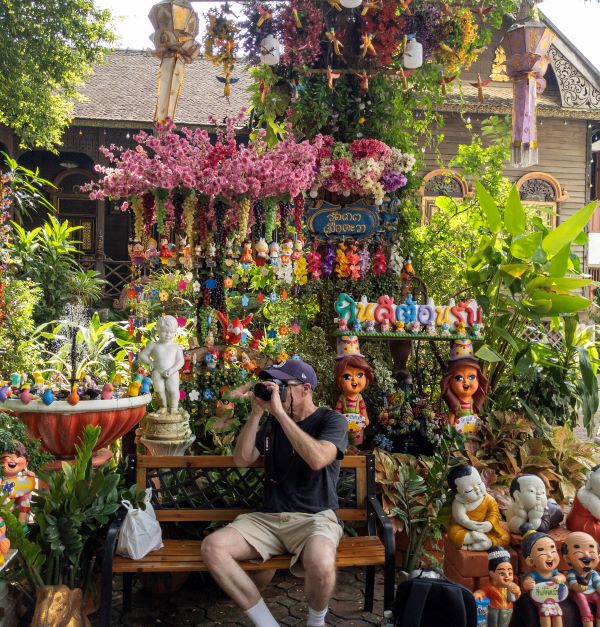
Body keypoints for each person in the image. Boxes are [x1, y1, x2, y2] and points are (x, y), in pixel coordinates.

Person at [201, 359, 348, 627]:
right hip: (269, 519)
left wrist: (280, 414)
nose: (276, 392)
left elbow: (317, 458)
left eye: (283, 386)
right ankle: (267, 624)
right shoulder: (271, 423)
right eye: (273, 386)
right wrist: (257, 414)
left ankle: (316, 623)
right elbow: (242, 459)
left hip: (315, 518)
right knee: (213, 547)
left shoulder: (331, 419)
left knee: (323, 563)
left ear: (305, 389)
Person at [139, 315, 185, 414]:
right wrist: (150, 362)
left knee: (173, 390)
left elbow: (181, 361)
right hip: (157, 371)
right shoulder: (154, 345)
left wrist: (172, 370)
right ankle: (163, 406)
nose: (168, 334)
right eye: (165, 331)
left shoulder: (176, 347)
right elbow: (143, 355)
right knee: (159, 391)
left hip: (172, 372)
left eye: (171, 332)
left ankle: (173, 407)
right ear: (158, 331)